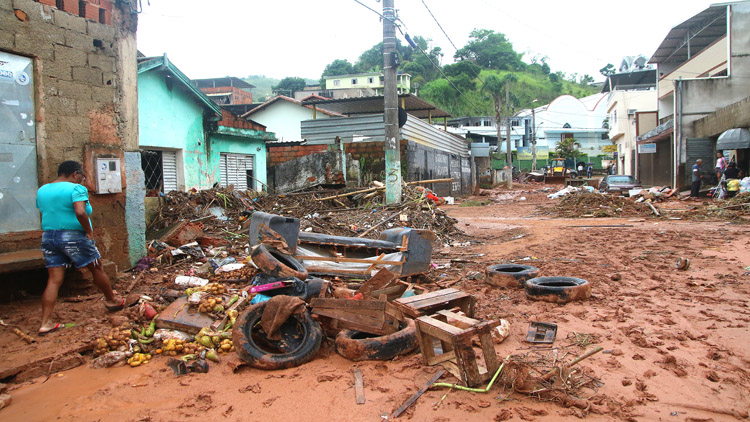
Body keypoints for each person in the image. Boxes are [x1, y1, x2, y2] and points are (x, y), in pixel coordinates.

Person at [36, 161, 124, 335]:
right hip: (73, 236)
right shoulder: (76, 189)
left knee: (54, 279)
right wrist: (89, 232)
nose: (82, 180)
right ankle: (112, 300)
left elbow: (46, 212)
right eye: (82, 177)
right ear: (75, 174)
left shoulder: (42, 190)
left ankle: (45, 323)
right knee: (96, 267)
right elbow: (80, 212)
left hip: (49, 236)